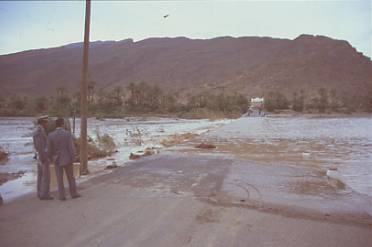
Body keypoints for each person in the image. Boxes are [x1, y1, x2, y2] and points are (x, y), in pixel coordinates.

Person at [47, 118, 81, 201]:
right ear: (62, 124)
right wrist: (73, 157)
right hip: (67, 158)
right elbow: (71, 147)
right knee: (70, 177)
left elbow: (49, 149)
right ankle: (73, 193)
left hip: (56, 159)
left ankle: (61, 196)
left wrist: (51, 158)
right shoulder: (67, 134)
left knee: (59, 178)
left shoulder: (51, 135)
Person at [32, 115, 53, 200]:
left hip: (38, 156)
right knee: (45, 176)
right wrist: (43, 157)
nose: (47, 123)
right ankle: (45, 194)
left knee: (40, 176)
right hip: (42, 156)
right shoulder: (40, 131)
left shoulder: (36, 130)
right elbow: (40, 146)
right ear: (42, 122)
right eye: (46, 122)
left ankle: (40, 193)